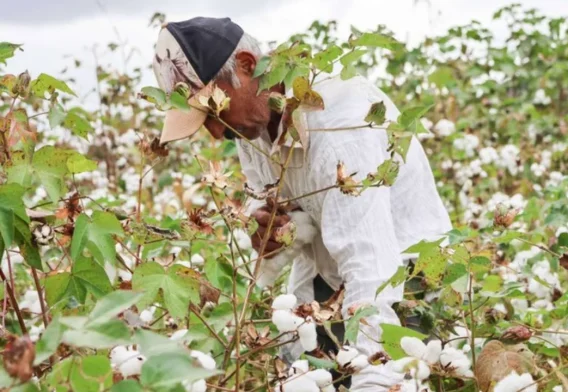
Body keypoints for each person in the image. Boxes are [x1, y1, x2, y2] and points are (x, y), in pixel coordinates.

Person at [151, 16, 451, 391]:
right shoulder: (251, 126)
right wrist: (271, 233)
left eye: (213, 110)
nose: (214, 132)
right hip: (328, 276)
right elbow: (283, 215)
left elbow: (372, 267)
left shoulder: (340, 129)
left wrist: (374, 377)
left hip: (406, 282)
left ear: (246, 66)